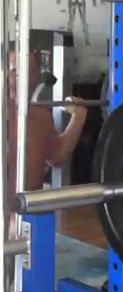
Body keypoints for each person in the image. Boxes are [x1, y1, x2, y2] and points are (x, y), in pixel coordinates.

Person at [5, 50, 87, 214]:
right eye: (14, 70)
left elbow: (58, 156)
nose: (21, 77)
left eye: (30, 70)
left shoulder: (40, 117)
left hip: (29, 213)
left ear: (35, 77)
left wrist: (79, 115)